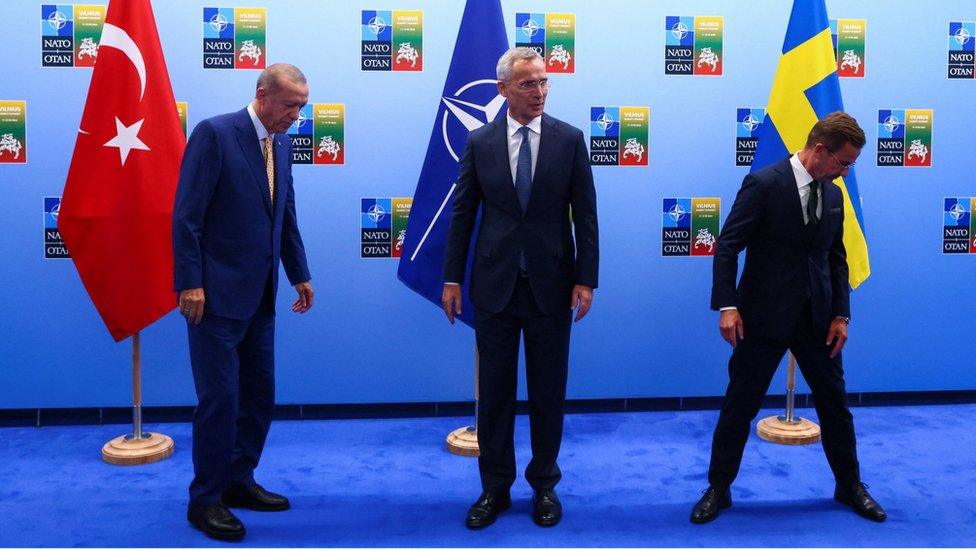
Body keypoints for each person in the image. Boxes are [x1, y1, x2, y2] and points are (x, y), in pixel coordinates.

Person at [691, 112, 886, 524]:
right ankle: (718, 487)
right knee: (740, 404)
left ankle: (849, 484)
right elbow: (727, 246)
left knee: (835, 405)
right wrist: (727, 306)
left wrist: (841, 315)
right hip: (760, 317)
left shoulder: (833, 195)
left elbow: (836, 258)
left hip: (817, 320)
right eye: (843, 163)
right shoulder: (765, 184)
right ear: (820, 150)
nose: (846, 172)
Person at [441, 47, 599, 529]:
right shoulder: (480, 141)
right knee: (495, 395)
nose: (539, 92)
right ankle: (494, 488)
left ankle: (545, 486)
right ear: (503, 89)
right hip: (494, 287)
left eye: (544, 82)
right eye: (528, 84)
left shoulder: (570, 140)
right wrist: (451, 277)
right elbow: (463, 213)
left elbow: (586, 216)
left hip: (552, 286)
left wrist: (586, 279)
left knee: (549, 392)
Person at [172, 63, 314, 541]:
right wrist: (190, 282)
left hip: (261, 299)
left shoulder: (284, 143)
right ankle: (205, 500)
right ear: (262, 94)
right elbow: (186, 217)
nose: (297, 115)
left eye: (302, 106)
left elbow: (284, 215)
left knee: (259, 398)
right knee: (220, 401)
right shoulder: (215, 134)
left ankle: (238, 480)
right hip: (212, 300)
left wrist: (300, 274)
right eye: (289, 104)